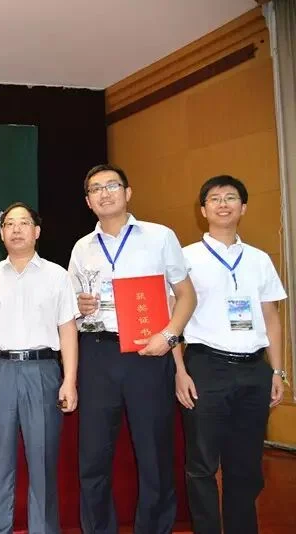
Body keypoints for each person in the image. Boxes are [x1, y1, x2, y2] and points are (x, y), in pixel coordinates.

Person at [69, 164, 196, 534]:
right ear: (88, 201)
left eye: (112, 185)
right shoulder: (81, 248)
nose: (104, 193)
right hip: (98, 352)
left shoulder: (160, 236)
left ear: (127, 192)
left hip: (148, 354)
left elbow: (186, 295)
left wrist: (170, 336)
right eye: (96, 189)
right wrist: (79, 306)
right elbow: (71, 308)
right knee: (93, 457)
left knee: (155, 455)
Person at [175, 175, 287, 534]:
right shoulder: (184, 258)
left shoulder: (259, 260)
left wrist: (277, 371)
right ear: (203, 209)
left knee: (247, 467)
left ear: (243, 207)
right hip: (205, 367)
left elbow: (272, 317)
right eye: (215, 198)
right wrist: (179, 371)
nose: (223, 204)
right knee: (202, 466)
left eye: (231, 197)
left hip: (254, 370)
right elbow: (171, 318)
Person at [0, 202, 78, 534]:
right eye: (9, 224)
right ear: (1, 233)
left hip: (42, 372)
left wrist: (69, 379)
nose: (16, 229)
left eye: (24, 223)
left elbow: (67, 329)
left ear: (37, 231)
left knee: (42, 462)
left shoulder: (57, 276)